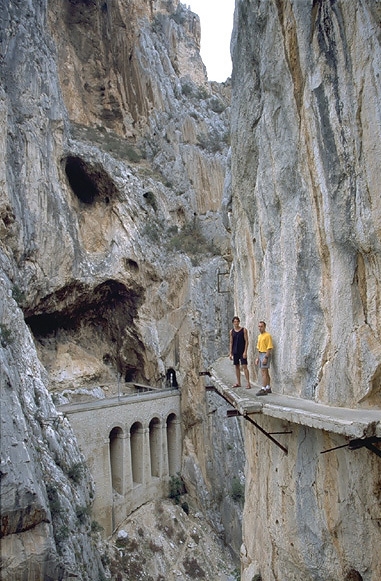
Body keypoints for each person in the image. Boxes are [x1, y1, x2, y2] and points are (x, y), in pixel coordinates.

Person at [229, 316, 250, 389]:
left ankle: (248, 383)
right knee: (237, 367)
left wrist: (245, 351)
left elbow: (247, 341)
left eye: (237, 321)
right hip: (235, 351)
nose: (236, 323)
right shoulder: (232, 331)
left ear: (239, 322)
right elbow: (231, 342)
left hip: (242, 351)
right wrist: (230, 353)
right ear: (233, 323)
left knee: (244, 366)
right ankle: (238, 382)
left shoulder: (244, 330)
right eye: (235, 322)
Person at [255, 320, 273, 395]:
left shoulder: (267, 335)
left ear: (264, 327)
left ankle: (263, 388)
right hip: (261, 354)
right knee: (265, 372)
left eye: (261, 326)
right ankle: (268, 387)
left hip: (265, 354)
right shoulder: (259, 336)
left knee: (264, 372)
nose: (260, 328)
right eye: (259, 326)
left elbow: (269, 347)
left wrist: (266, 357)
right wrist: (258, 358)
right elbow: (259, 348)